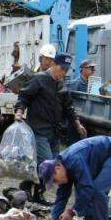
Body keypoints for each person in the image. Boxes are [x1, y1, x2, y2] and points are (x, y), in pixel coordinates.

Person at [15, 53, 87, 201]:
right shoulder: (39, 79)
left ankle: (31, 189)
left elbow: (69, 107)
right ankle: (33, 190)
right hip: (38, 130)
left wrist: (77, 123)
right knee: (48, 163)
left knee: (54, 165)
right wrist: (19, 112)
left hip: (55, 132)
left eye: (66, 70)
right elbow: (24, 96)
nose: (63, 73)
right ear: (53, 64)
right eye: (62, 69)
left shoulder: (61, 85)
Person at [38, 136, 111, 220]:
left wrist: (71, 212)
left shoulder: (74, 160)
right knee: (83, 189)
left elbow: (87, 188)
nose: (56, 184)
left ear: (57, 168)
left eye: (55, 180)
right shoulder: (63, 167)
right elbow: (62, 196)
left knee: (98, 190)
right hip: (103, 157)